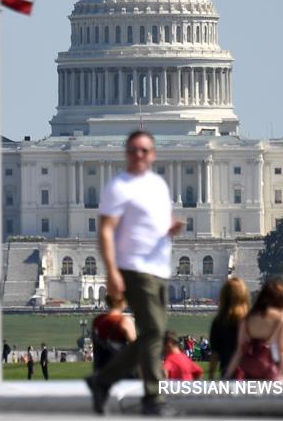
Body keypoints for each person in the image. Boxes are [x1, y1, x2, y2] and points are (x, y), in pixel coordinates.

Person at [86, 129, 184, 416]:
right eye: (133, 150)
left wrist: (171, 229)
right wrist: (112, 270)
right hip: (132, 267)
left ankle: (102, 381)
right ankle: (153, 398)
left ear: (152, 154)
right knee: (154, 331)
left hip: (158, 268)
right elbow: (105, 231)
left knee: (152, 334)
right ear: (126, 153)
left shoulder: (158, 185)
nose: (139, 155)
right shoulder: (118, 186)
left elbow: (158, 223)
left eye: (144, 150)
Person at [224, 278, 283, 382]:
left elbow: (239, 350)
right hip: (269, 366)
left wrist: (227, 374)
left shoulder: (247, 318)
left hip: (248, 366)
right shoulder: (282, 317)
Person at [208, 277, 250, 380]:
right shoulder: (250, 321)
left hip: (228, 372)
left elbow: (214, 354)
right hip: (249, 374)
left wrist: (211, 378)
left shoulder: (219, 321)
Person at [91, 294, 136, 372]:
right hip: (119, 367)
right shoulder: (124, 321)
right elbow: (135, 346)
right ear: (122, 303)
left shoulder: (97, 320)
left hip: (101, 367)